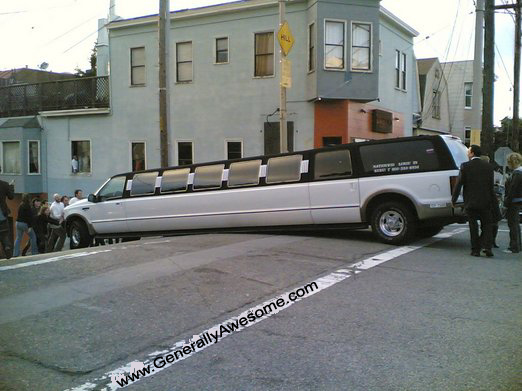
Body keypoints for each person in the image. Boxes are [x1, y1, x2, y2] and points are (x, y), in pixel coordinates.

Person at [451, 145, 496, 257]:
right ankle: (487, 247)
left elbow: (459, 184)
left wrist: (454, 199)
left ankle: (475, 249)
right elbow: (491, 186)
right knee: (487, 225)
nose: (467, 153)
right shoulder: (488, 167)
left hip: (471, 201)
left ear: (472, 153)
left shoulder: (465, 166)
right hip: (486, 201)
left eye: (468, 151)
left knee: (473, 226)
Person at [479, 156, 502, 249]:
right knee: (491, 223)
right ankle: (488, 242)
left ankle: (488, 241)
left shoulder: (491, 172)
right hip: (490, 199)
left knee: (489, 223)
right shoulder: (485, 172)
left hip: (487, 199)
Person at [503, 152, 522, 254]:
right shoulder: (519, 172)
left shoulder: (517, 174)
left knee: (512, 224)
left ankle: (514, 246)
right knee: (515, 224)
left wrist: (506, 203)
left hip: (514, 201)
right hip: (519, 200)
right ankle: (518, 245)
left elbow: (512, 190)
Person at [0, 179, 15, 259]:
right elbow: (11, 197)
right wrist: (11, 186)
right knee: (4, 232)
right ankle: (7, 247)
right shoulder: (4, 184)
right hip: (1, 212)